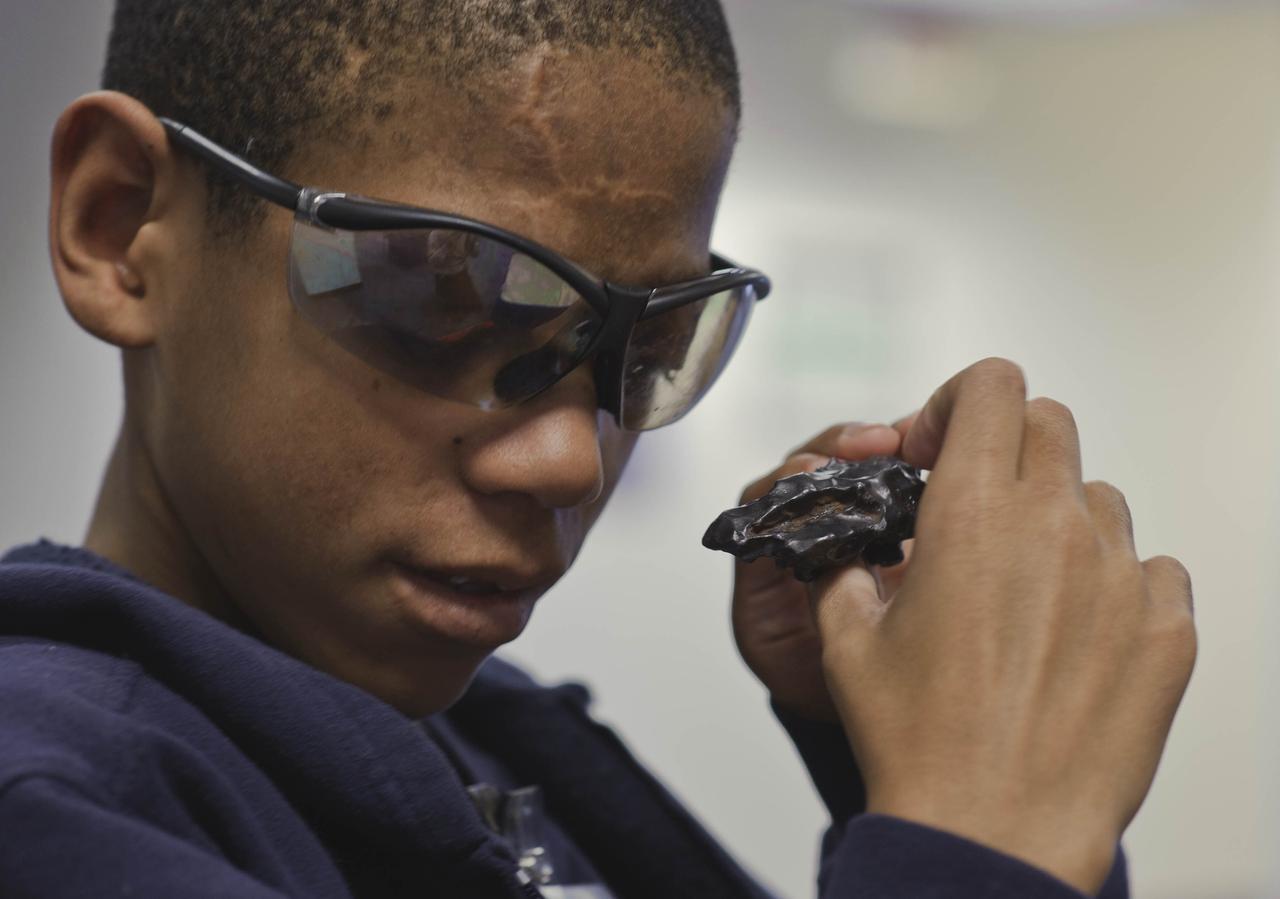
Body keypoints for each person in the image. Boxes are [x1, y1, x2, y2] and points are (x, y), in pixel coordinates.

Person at [0, 1, 1196, 897]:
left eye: (655, 341)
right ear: (118, 226)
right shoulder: (47, 805)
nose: (571, 462)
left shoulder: (506, 739)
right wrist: (971, 842)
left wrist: (898, 773)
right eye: (444, 297)